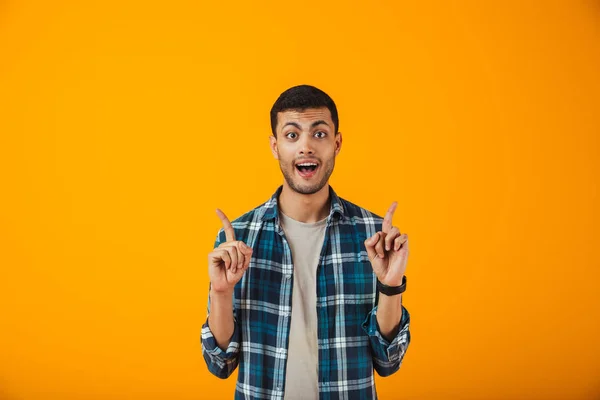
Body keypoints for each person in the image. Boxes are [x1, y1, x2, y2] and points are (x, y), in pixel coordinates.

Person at [201, 85, 411, 399]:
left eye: (320, 134)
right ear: (274, 146)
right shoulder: (239, 237)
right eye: (291, 135)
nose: (306, 147)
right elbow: (220, 363)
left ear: (337, 143)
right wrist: (221, 291)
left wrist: (391, 285)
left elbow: (388, 360)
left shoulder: (373, 235)